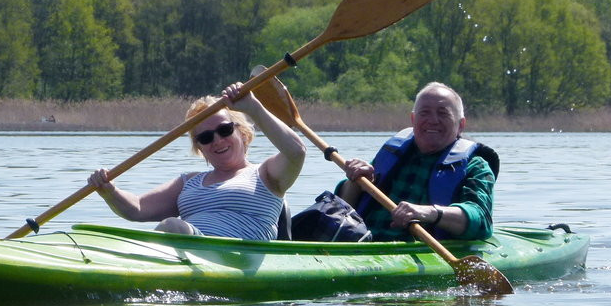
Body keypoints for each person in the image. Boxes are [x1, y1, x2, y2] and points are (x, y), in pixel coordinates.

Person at [87, 82, 306, 240]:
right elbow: (137, 208)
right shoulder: (188, 182)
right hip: (191, 253)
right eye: (205, 137)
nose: (217, 140)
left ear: (243, 133)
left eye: (224, 129)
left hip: (239, 258)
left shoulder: (266, 174)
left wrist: (253, 108)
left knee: (173, 227)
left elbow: (296, 152)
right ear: (199, 147)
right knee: (172, 228)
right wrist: (109, 190)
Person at [338, 82, 498, 241]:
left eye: (443, 113)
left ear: (461, 125)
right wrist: (356, 182)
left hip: (417, 253)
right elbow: (342, 210)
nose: (433, 120)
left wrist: (429, 213)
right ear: (413, 119)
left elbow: (481, 220)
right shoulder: (392, 154)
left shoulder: (476, 166)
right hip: (362, 243)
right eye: (424, 113)